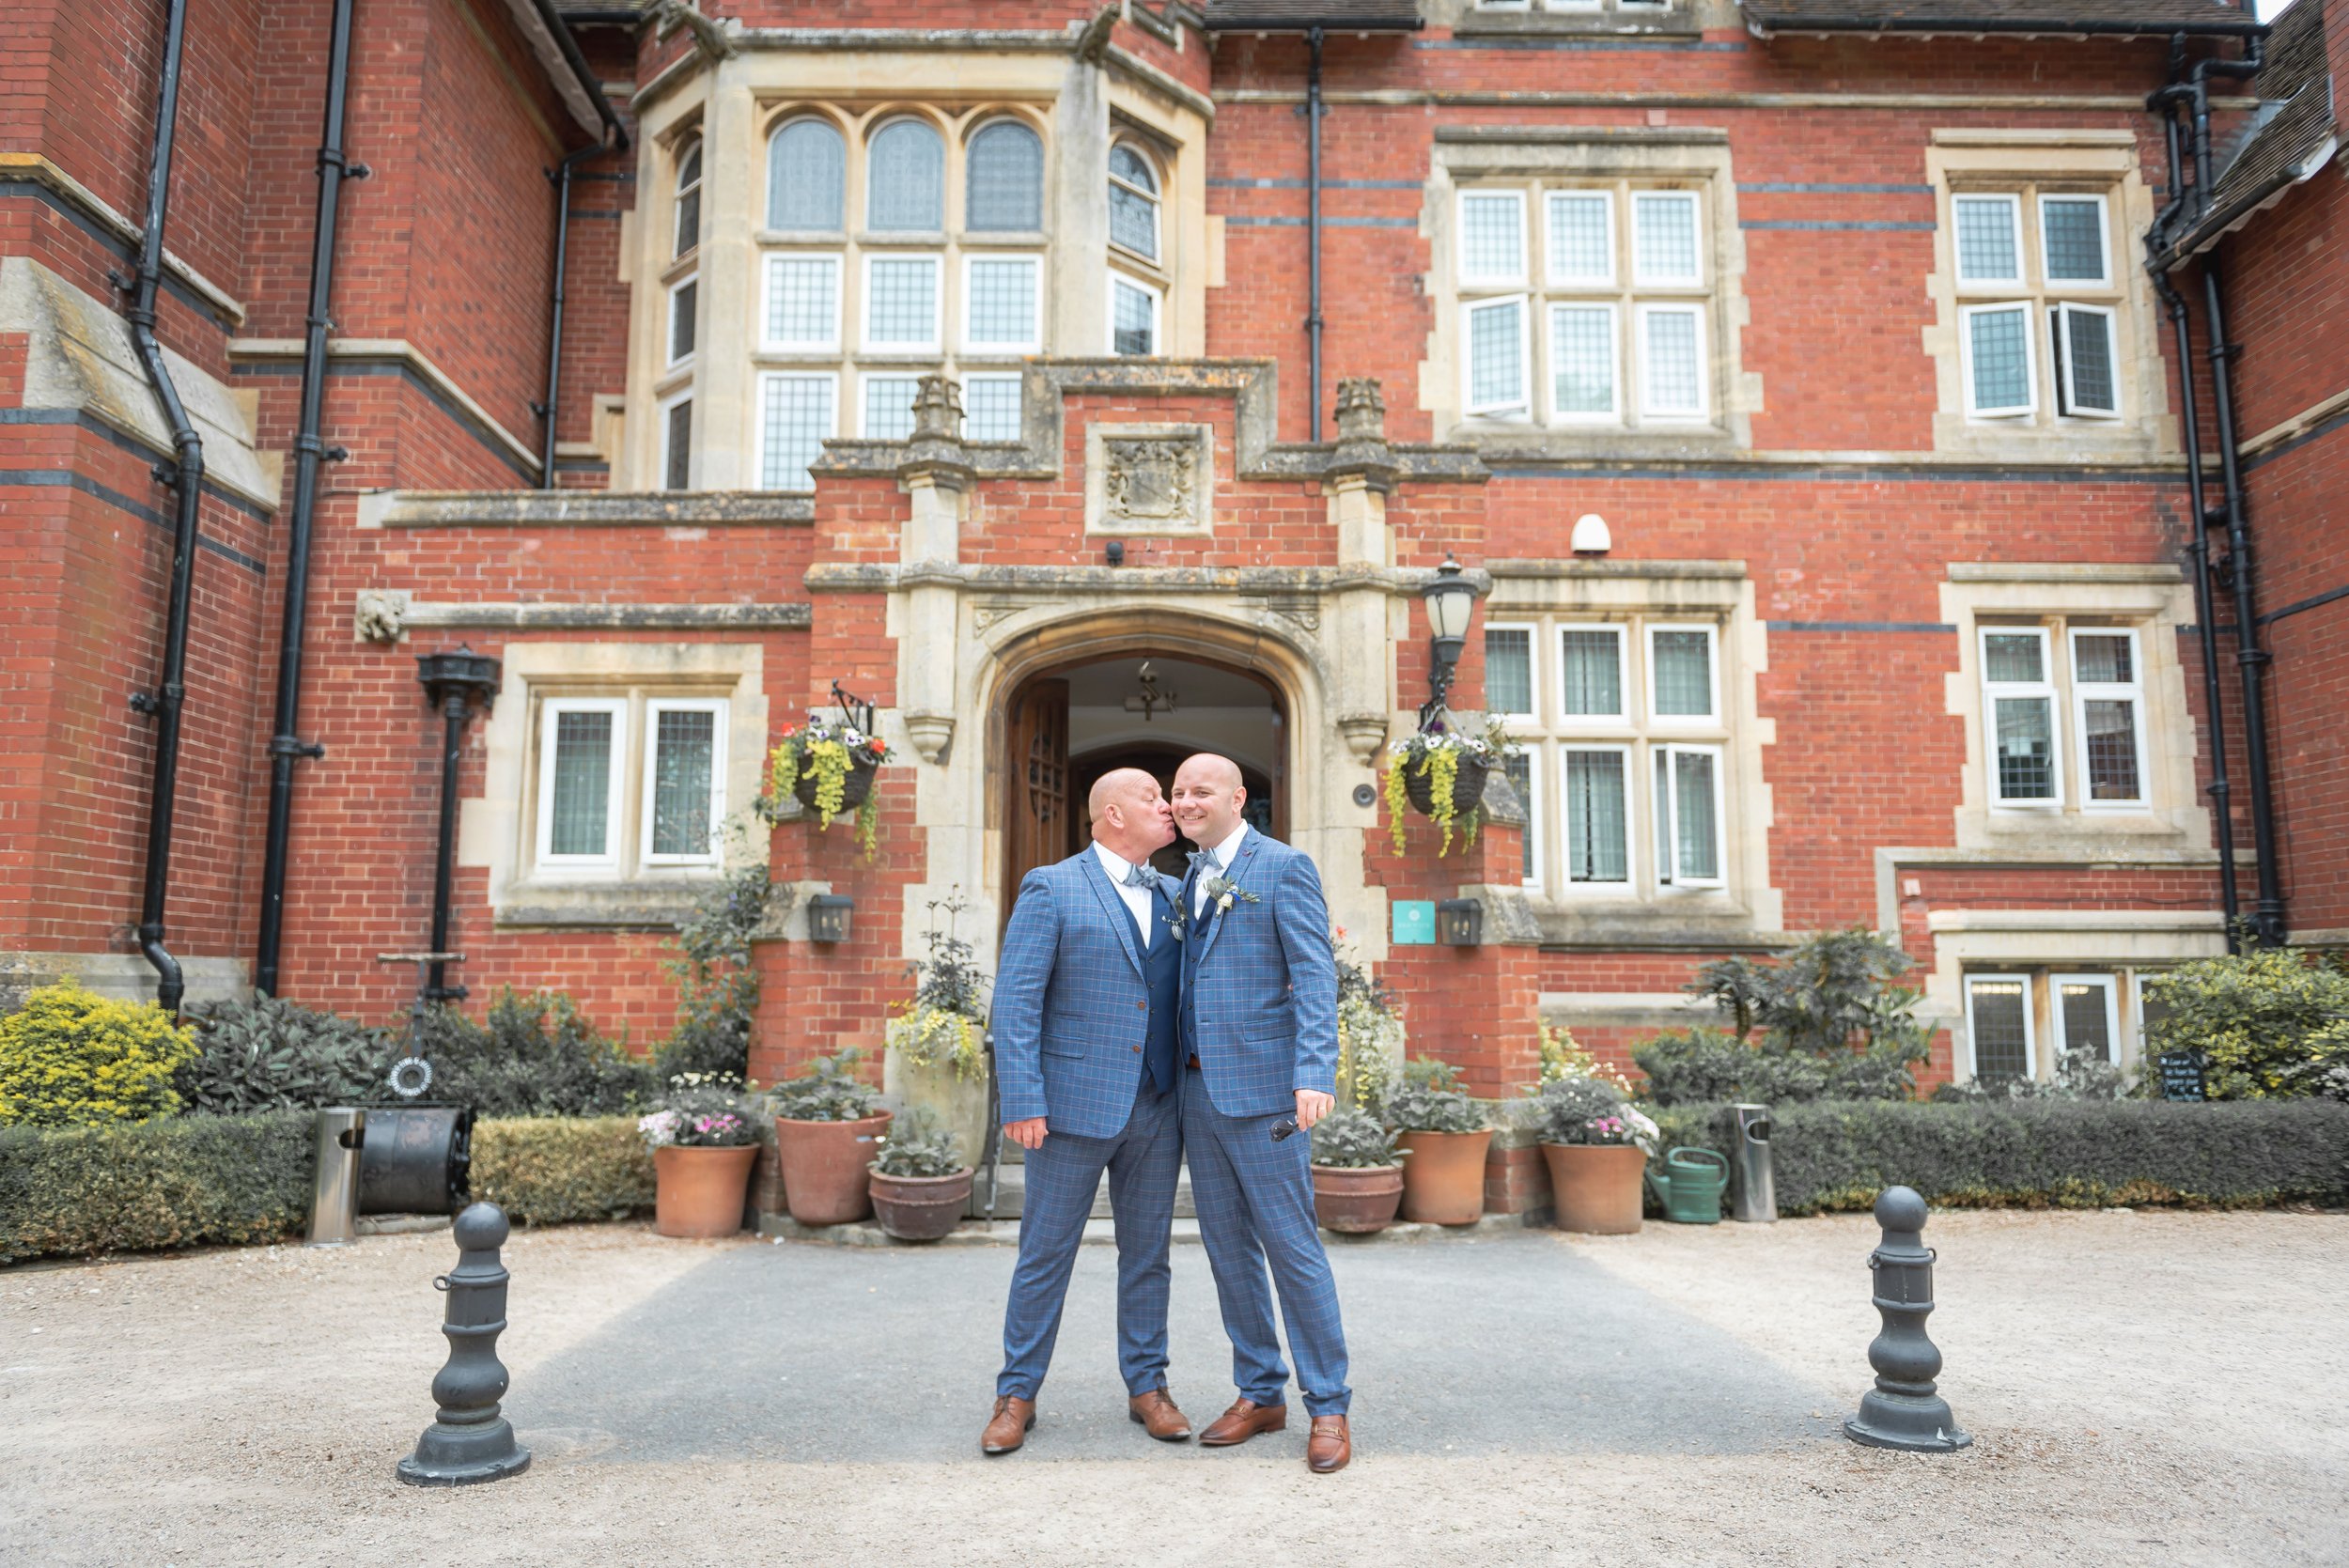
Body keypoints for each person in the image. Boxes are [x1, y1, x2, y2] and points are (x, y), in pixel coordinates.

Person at [982, 768, 1194, 1455]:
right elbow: (1015, 1002)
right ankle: (1016, 1392)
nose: (1169, 807)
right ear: (1111, 813)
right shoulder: (1052, 885)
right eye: (1153, 798)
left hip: (1157, 1105)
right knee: (1045, 1255)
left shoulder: (1175, 892)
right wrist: (1023, 1098)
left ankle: (1148, 1386)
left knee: (1148, 1255)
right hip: (1068, 1109)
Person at [1168, 752, 1353, 1474]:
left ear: (1238, 797)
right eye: (1178, 792)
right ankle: (1260, 1390)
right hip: (1197, 1094)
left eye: (1201, 790)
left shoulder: (1283, 866)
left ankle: (1329, 1403)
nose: (1186, 801)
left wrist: (1314, 1072)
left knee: (1291, 1248)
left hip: (1268, 1093)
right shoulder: (1192, 873)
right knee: (1226, 1250)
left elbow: (1313, 974)